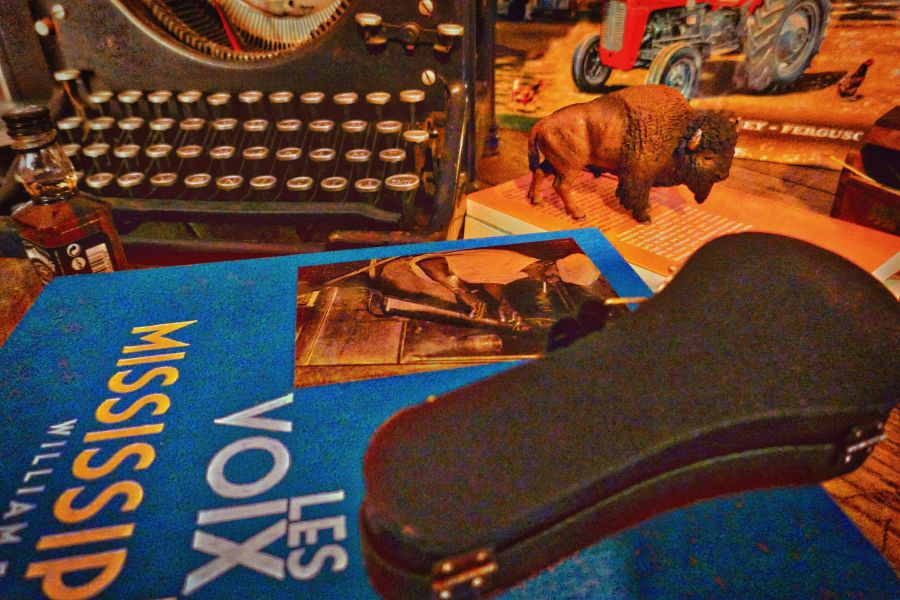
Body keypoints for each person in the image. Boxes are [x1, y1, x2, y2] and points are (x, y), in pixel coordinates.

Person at [377, 248, 602, 329]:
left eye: (558, 282)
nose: (552, 282)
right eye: (556, 276)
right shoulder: (505, 260)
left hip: (432, 281)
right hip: (405, 273)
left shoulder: (525, 270)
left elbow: (489, 281)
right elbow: (431, 265)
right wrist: (465, 294)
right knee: (444, 318)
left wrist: (504, 303)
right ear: (551, 265)